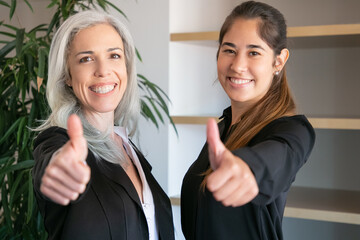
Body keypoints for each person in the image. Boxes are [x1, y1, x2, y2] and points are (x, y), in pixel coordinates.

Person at [32, 10, 174, 240]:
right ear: (67, 75)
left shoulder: (128, 148)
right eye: (86, 59)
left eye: (114, 56)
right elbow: (50, 163)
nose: (103, 70)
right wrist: (59, 170)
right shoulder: (59, 141)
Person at [181, 1, 315, 239]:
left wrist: (249, 169)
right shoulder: (224, 126)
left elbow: (278, 156)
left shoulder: (293, 130)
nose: (238, 65)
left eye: (254, 52)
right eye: (229, 50)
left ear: (279, 61)